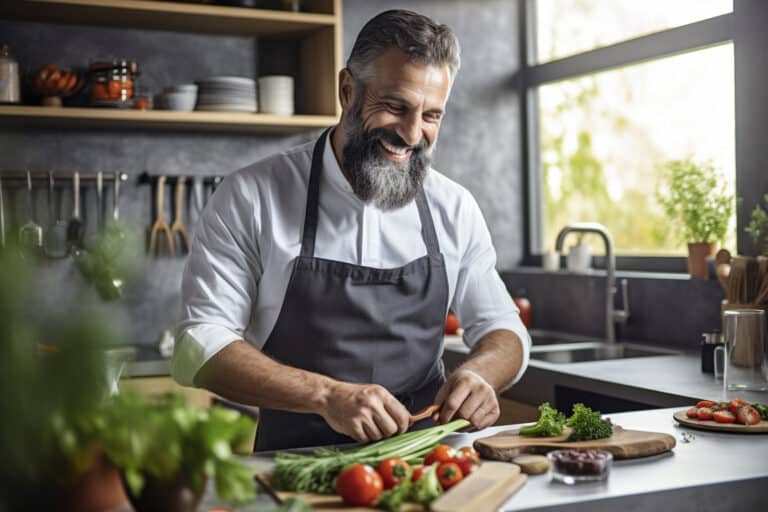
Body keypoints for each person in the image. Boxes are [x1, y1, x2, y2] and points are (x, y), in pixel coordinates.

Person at [173, 9, 530, 451]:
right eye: (395, 106)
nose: (412, 133)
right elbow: (200, 343)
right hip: (296, 465)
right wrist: (326, 396)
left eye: (432, 115)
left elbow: (503, 328)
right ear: (347, 89)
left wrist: (480, 375)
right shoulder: (252, 195)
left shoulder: (453, 206)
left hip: (430, 464)